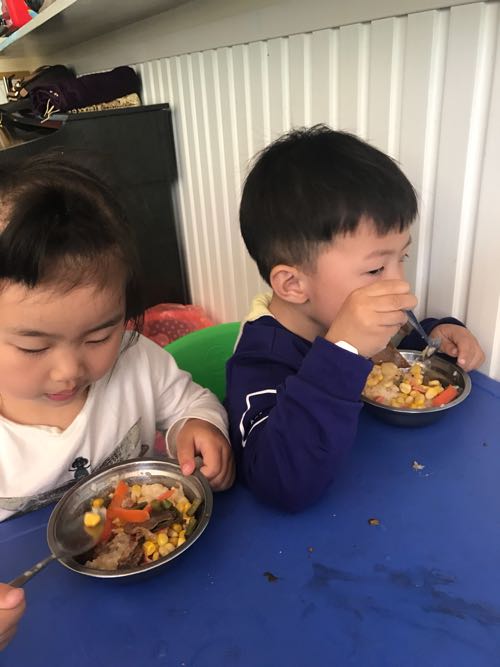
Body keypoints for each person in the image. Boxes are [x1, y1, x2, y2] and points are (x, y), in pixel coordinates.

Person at [0, 154, 234, 648]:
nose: (69, 370)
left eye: (98, 336)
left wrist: (199, 426)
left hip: (175, 606)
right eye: (33, 347)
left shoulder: (137, 362)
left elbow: (192, 402)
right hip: (39, 624)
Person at [225, 125, 484, 513]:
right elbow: (281, 482)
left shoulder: (343, 311)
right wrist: (342, 352)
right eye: (376, 269)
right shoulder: (259, 359)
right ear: (293, 284)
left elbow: (397, 354)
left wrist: (436, 334)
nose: (401, 286)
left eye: (402, 258)